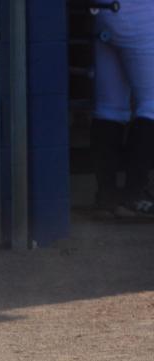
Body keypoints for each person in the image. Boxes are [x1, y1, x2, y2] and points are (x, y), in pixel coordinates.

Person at [89, 1, 154, 218]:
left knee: (109, 108)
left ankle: (106, 196)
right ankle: (135, 194)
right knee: (151, 105)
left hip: (104, 12)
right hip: (141, 12)